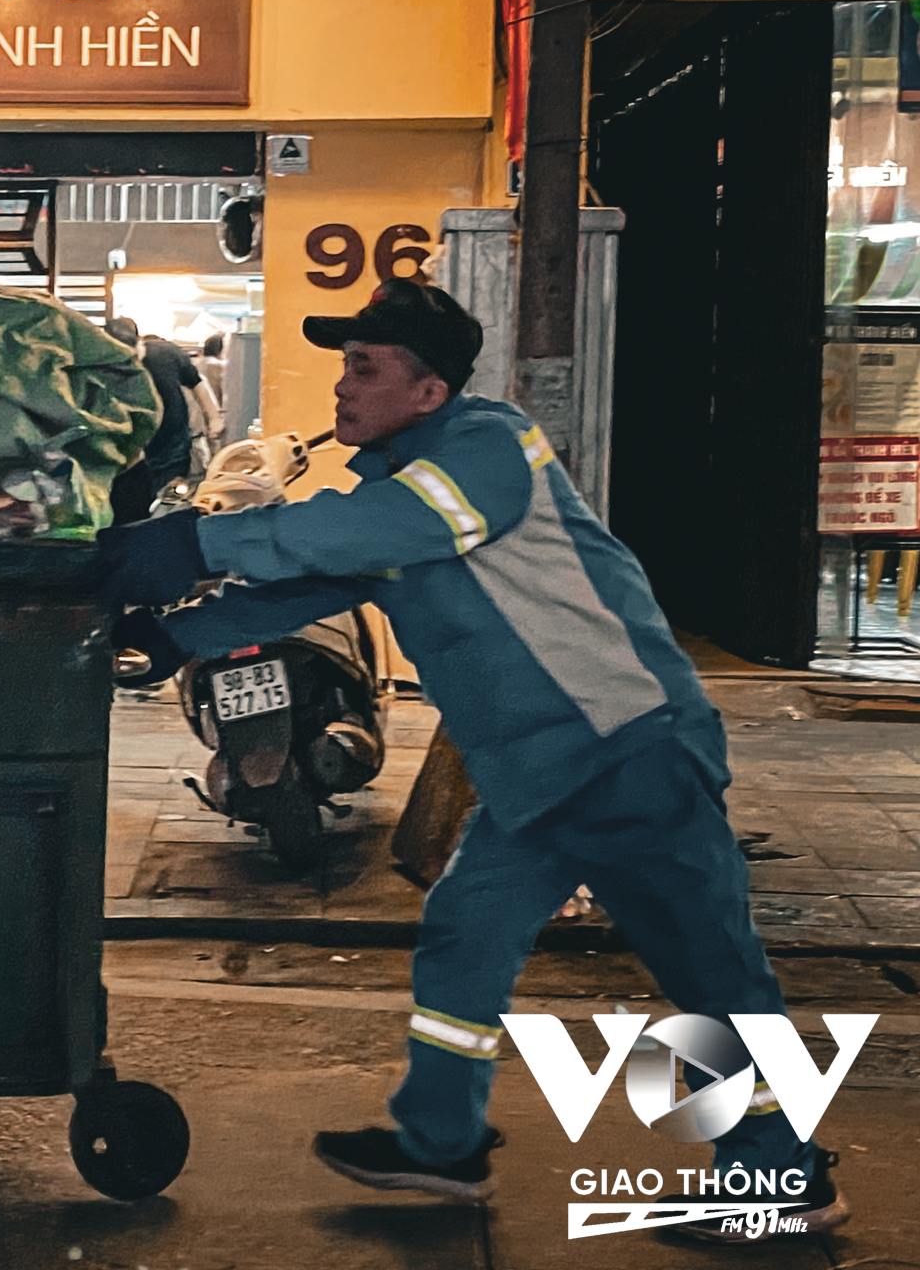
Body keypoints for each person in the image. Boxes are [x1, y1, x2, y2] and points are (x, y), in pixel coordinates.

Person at [90, 278, 845, 1239]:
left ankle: (782, 1179)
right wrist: (174, 634)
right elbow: (313, 581)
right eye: (343, 369)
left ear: (431, 391)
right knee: (464, 938)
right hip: (536, 774)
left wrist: (199, 538)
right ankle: (441, 1145)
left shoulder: (487, 454)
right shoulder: (402, 490)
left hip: (627, 752)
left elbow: (374, 534)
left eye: (365, 370)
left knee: (708, 974)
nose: (342, 390)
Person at [107, 318, 207, 524]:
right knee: (130, 514)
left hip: (172, 448)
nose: (129, 362)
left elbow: (197, 383)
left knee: (169, 509)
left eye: (133, 356)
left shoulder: (167, 354)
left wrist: (214, 419)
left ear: (140, 342)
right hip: (130, 457)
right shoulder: (104, 365)